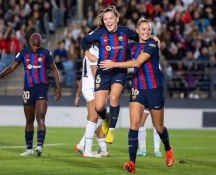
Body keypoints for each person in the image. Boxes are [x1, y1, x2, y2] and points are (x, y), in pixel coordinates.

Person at [100, 18, 174, 173]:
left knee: (158, 127)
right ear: (138, 31)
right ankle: (131, 162)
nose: (147, 31)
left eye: (149, 29)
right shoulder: (131, 46)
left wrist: (113, 64)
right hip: (137, 88)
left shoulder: (152, 44)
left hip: (154, 89)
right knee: (134, 124)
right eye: (144, 29)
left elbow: (137, 63)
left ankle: (168, 148)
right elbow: (118, 51)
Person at [80, 6, 140, 144]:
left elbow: (141, 37)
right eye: (105, 19)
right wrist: (88, 53)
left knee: (114, 97)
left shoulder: (125, 31)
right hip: (103, 71)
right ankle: (106, 119)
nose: (108, 21)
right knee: (99, 107)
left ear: (117, 19)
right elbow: (84, 41)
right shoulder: (99, 32)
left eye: (110, 18)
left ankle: (111, 130)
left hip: (119, 71)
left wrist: (153, 38)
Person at [0, 33, 61, 157]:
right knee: (29, 120)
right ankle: (29, 149)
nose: (35, 47)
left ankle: (39, 146)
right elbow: (12, 67)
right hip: (28, 89)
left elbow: (54, 69)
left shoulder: (46, 53)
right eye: (33, 45)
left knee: (40, 118)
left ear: (41, 43)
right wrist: (0, 75)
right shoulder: (23, 53)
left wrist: (58, 88)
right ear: (30, 43)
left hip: (41, 88)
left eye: (38, 45)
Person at [74, 45, 108, 158]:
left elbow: (83, 77)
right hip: (93, 87)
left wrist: (78, 95)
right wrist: (100, 88)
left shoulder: (89, 52)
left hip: (88, 87)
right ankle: (85, 149)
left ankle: (101, 149)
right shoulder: (94, 52)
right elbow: (94, 72)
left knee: (97, 118)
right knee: (95, 118)